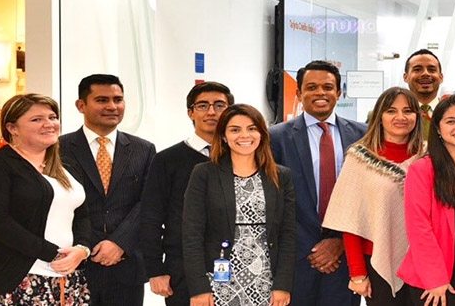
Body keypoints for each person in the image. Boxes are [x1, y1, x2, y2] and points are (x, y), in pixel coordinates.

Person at [269, 60, 367, 306]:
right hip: (296, 259)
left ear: (339, 92)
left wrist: (340, 241)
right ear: (299, 93)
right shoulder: (276, 138)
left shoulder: (363, 135)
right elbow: (274, 202)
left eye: (328, 87)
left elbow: (367, 199)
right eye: (312, 87)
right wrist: (312, 248)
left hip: (346, 257)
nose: (320, 93)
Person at [0, 94, 92, 305]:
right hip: (22, 278)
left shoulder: (67, 166)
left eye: (52, 117)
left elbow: (83, 215)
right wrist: (52, 253)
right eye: (36, 119)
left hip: (70, 278)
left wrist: (82, 249)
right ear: (12, 128)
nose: (49, 124)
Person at [183, 104, 296, 306]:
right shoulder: (204, 174)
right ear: (224, 136)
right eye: (235, 130)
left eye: (252, 128)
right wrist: (199, 287)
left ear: (261, 134)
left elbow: (288, 234)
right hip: (217, 280)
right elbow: (192, 234)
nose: (244, 135)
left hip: (266, 279)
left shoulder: (280, 176)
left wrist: (283, 284)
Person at [59, 74, 155, 306]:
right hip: (75, 263)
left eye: (118, 100)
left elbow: (149, 202)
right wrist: (91, 244)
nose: (112, 106)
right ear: (81, 105)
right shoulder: (59, 148)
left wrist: (119, 243)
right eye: (102, 100)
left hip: (126, 265)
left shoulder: (143, 149)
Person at [323, 87, 424, 305]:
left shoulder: (428, 157)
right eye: (391, 111)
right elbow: (350, 221)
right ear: (379, 116)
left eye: (408, 111)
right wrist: (357, 273)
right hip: (378, 260)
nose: (400, 117)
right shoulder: (359, 159)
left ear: (417, 116)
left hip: (424, 261)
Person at [140, 81, 235, 306]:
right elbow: (151, 217)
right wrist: (155, 270)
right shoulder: (166, 160)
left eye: (219, 105)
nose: (211, 112)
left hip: (235, 264)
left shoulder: (242, 157)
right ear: (190, 112)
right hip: (182, 266)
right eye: (202, 106)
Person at [398, 94, 455, 306]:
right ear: (438, 129)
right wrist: (435, 279)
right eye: (451, 121)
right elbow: (419, 228)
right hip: (439, 279)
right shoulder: (423, 169)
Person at [402, 49, 444, 137]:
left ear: (441, 77)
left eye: (432, 70)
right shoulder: (386, 116)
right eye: (417, 70)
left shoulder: (454, 114)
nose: (425, 73)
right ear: (406, 77)